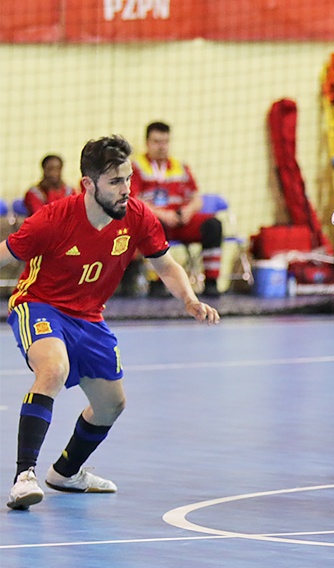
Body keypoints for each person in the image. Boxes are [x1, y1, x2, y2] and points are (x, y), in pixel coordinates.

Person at [4, 135, 220, 510]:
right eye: (116, 182)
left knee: (111, 406)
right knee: (53, 369)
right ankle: (25, 476)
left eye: (129, 179)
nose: (126, 190)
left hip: (89, 316)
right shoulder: (53, 219)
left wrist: (189, 298)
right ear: (89, 184)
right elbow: (5, 254)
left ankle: (66, 472)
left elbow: (165, 266)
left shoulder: (137, 216)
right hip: (39, 305)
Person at [130, 121, 223, 297]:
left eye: (165, 142)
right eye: (157, 142)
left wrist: (188, 211)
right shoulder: (136, 167)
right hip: (157, 221)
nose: (161, 147)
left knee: (213, 225)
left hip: (180, 221)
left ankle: (211, 282)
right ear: (147, 143)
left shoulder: (181, 167)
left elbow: (196, 197)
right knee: (153, 226)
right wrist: (162, 215)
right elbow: (133, 200)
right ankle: (157, 283)